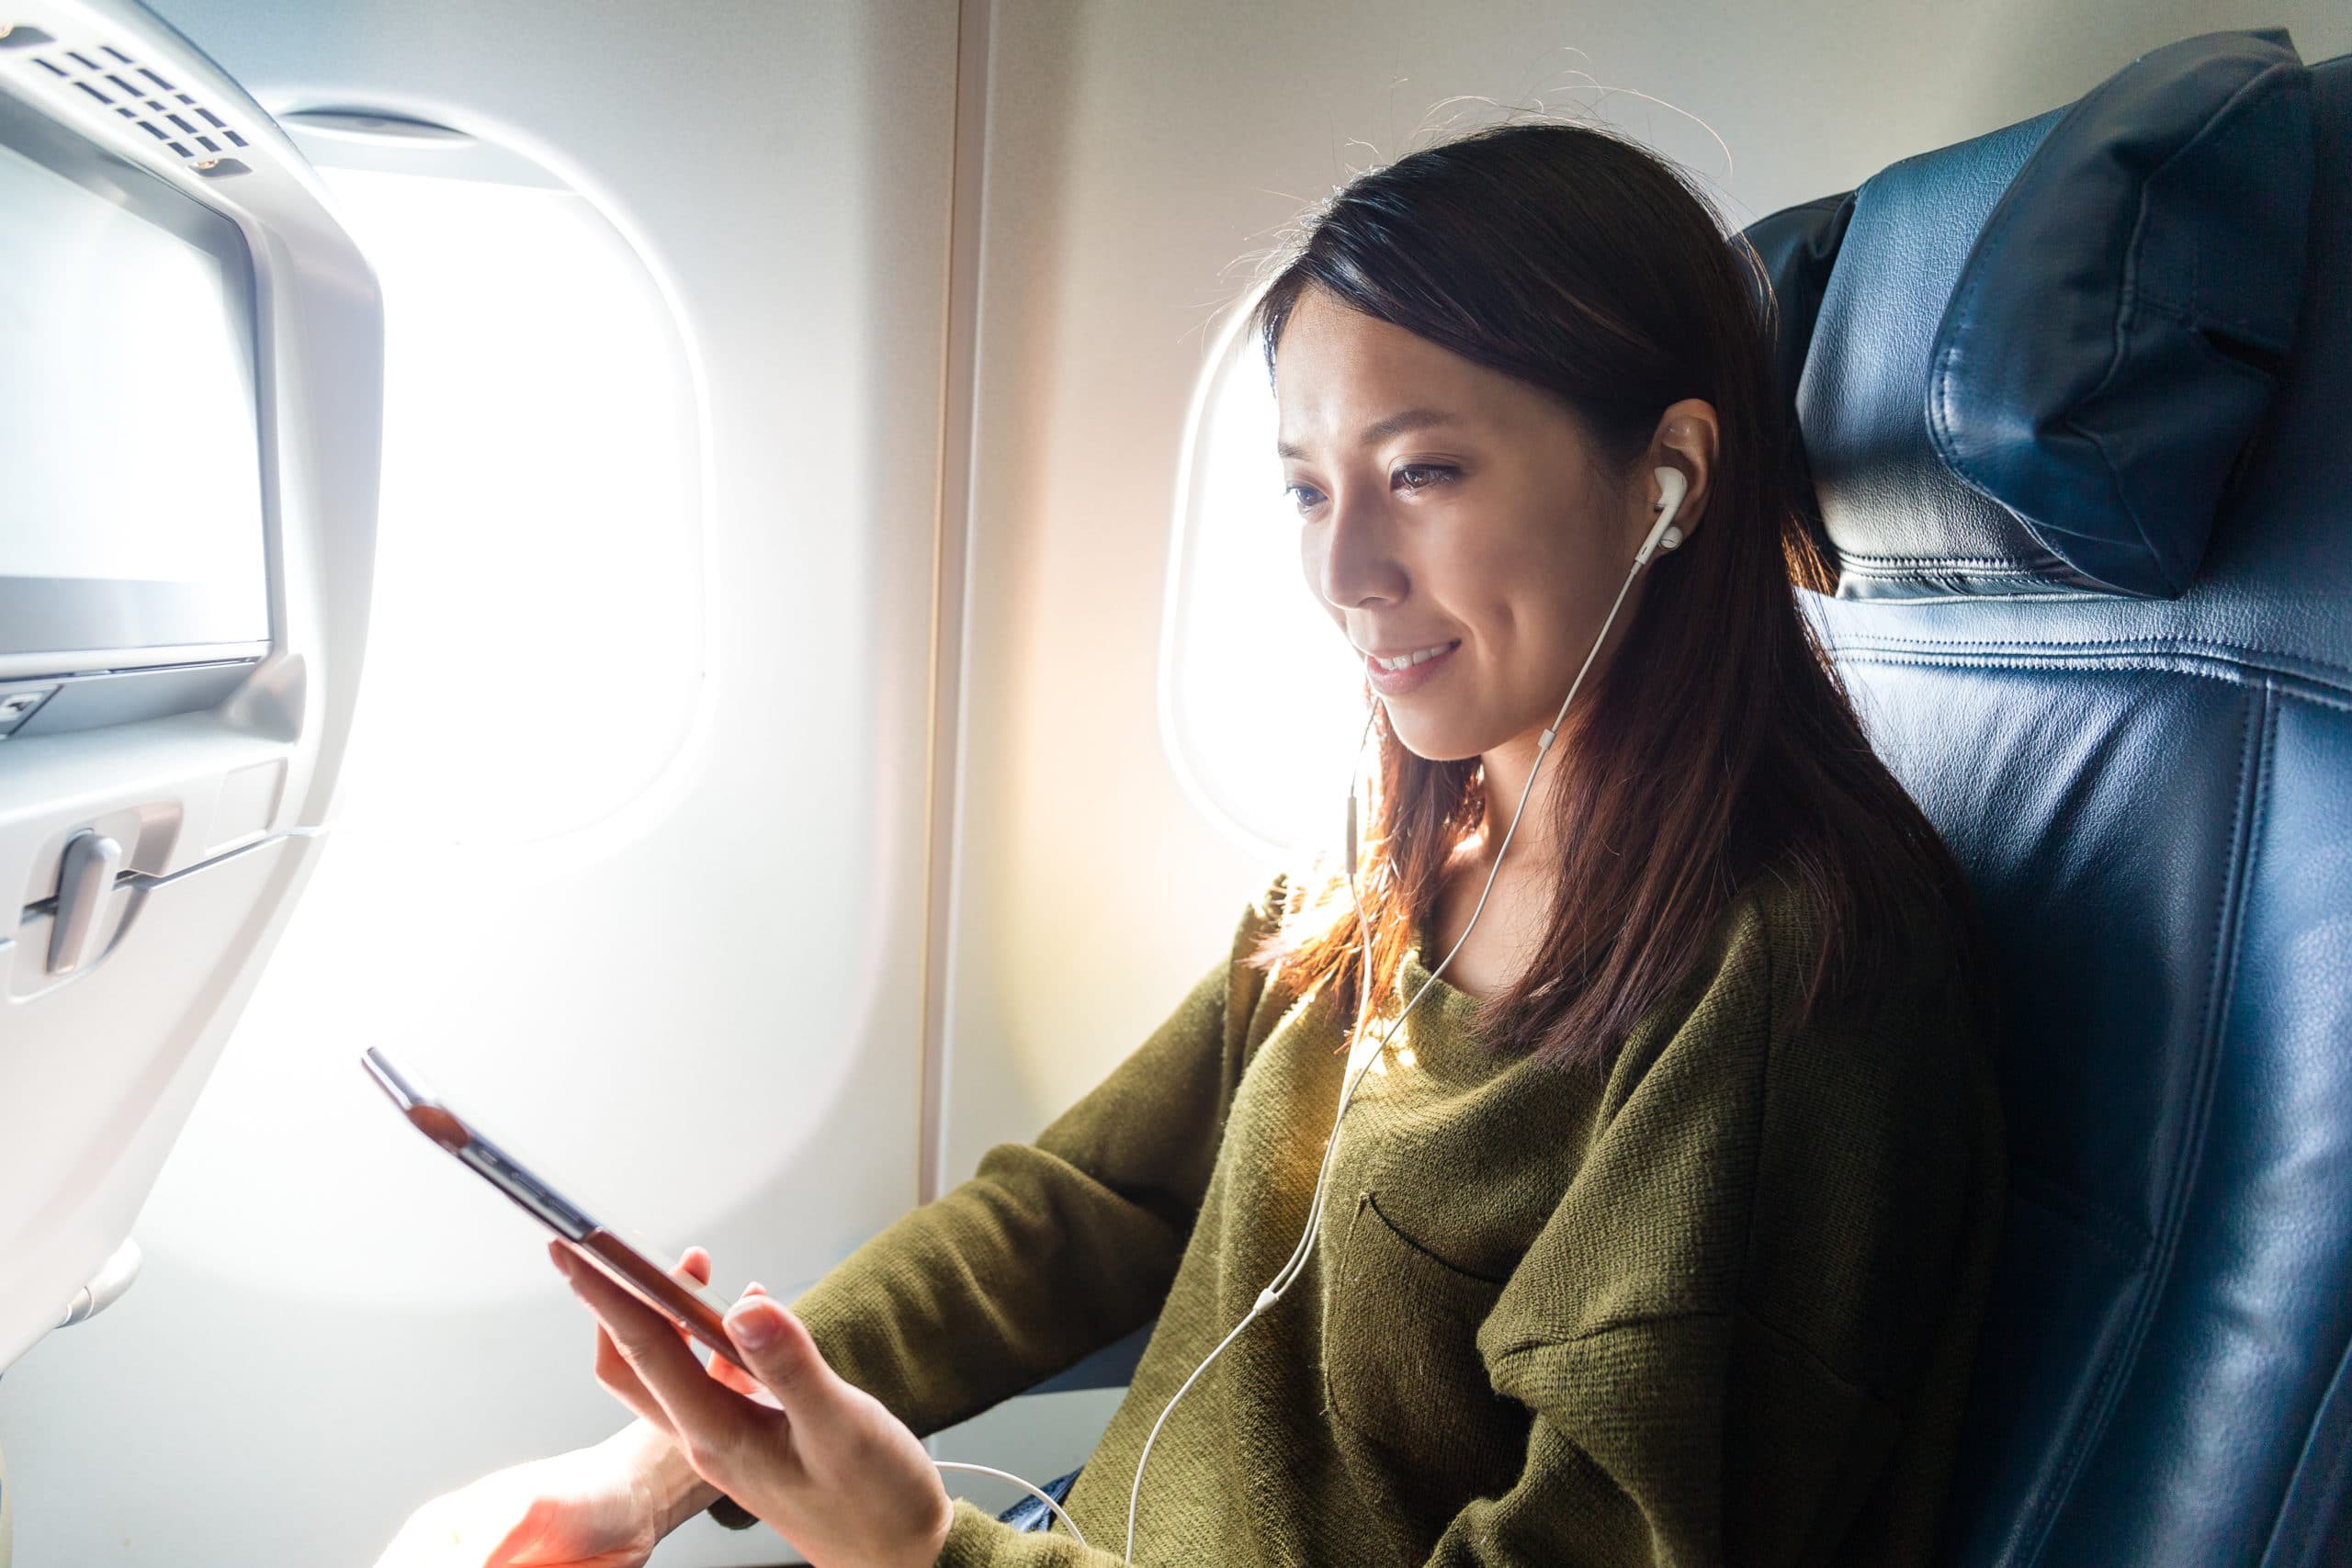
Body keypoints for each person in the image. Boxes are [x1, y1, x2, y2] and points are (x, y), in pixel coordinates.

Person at [374, 118, 2004, 1568]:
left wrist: (919, 1550)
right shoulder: (1399, 849)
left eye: (1422, 470)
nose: (1345, 571)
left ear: (1671, 478)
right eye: (1306, 489)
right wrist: (646, 1470)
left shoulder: (1789, 1006)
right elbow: (1081, 1201)